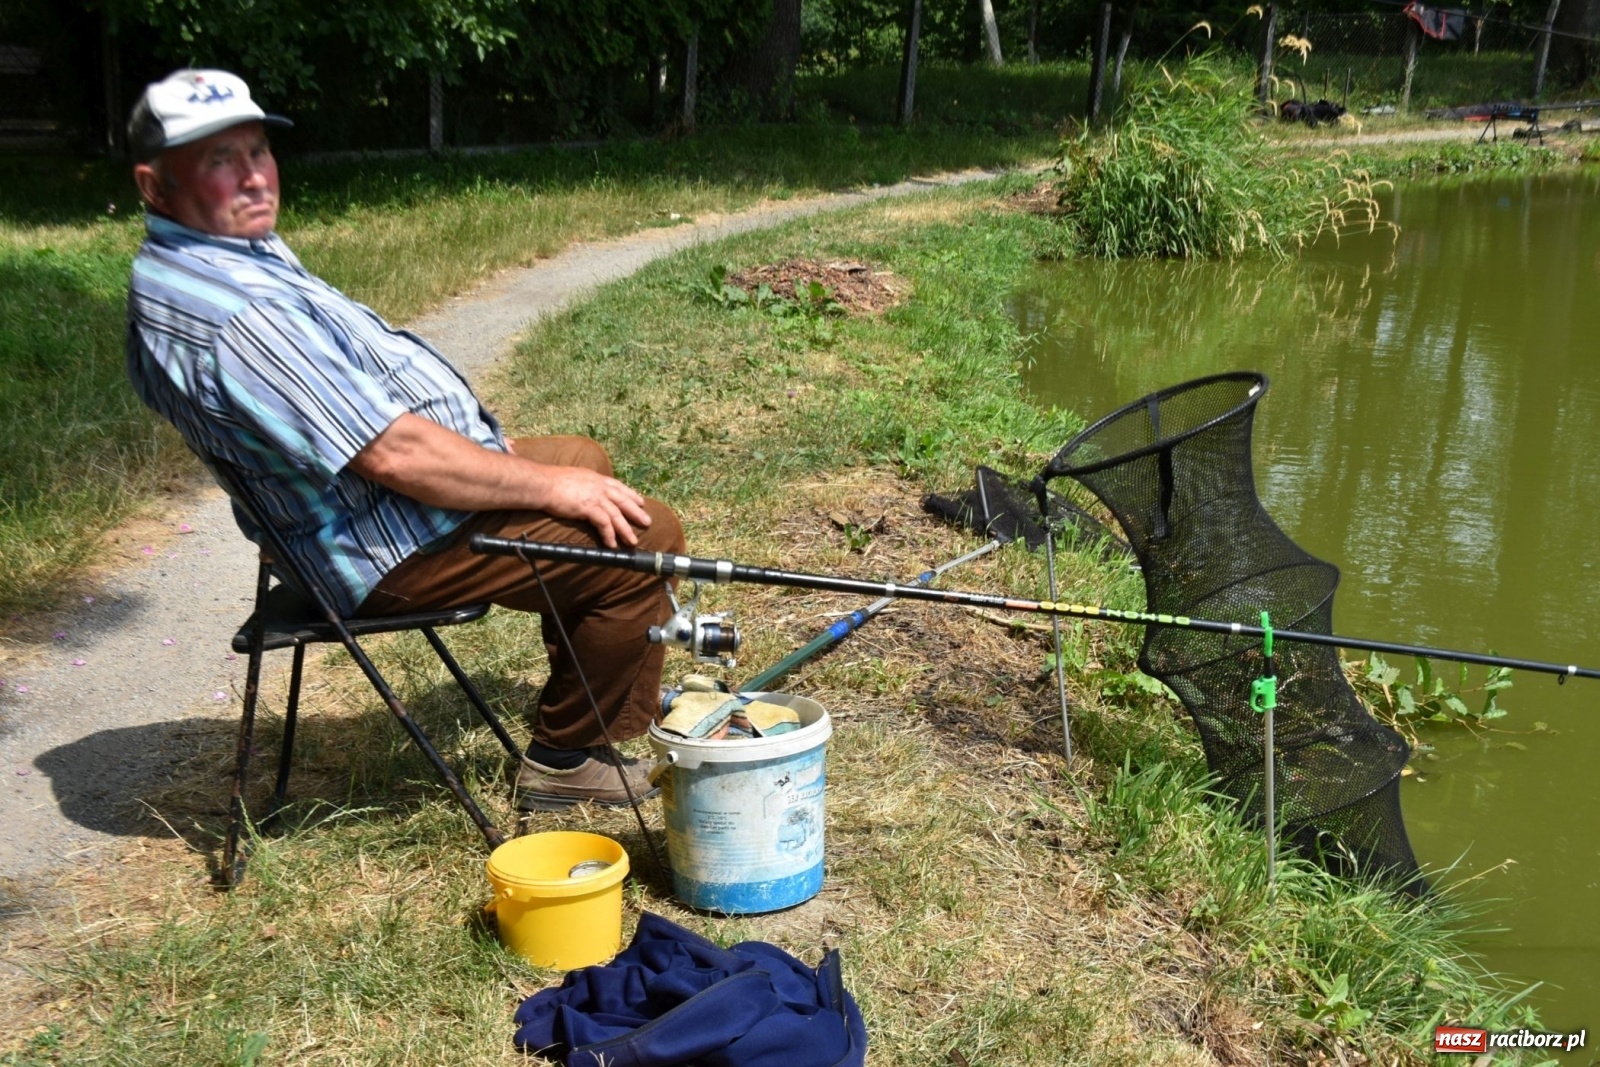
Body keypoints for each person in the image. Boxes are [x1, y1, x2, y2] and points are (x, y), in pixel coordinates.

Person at [124, 69, 684, 812]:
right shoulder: (233, 316)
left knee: (584, 459)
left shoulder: (212, 255)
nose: (254, 176)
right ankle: (564, 760)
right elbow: (396, 456)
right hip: (378, 546)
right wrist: (547, 490)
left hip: (366, 508)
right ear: (154, 187)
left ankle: (596, 685)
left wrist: (518, 461)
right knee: (644, 540)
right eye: (219, 161)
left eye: (257, 150)